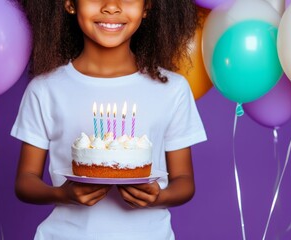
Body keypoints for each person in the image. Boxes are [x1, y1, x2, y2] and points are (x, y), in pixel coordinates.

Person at [11, 0, 207, 239]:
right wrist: (63, 194)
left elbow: (184, 181)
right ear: (70, 4)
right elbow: (25, 181)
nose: (111, 6)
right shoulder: (45, 89)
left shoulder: (172, 89)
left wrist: (160, 196)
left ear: (147, 7)